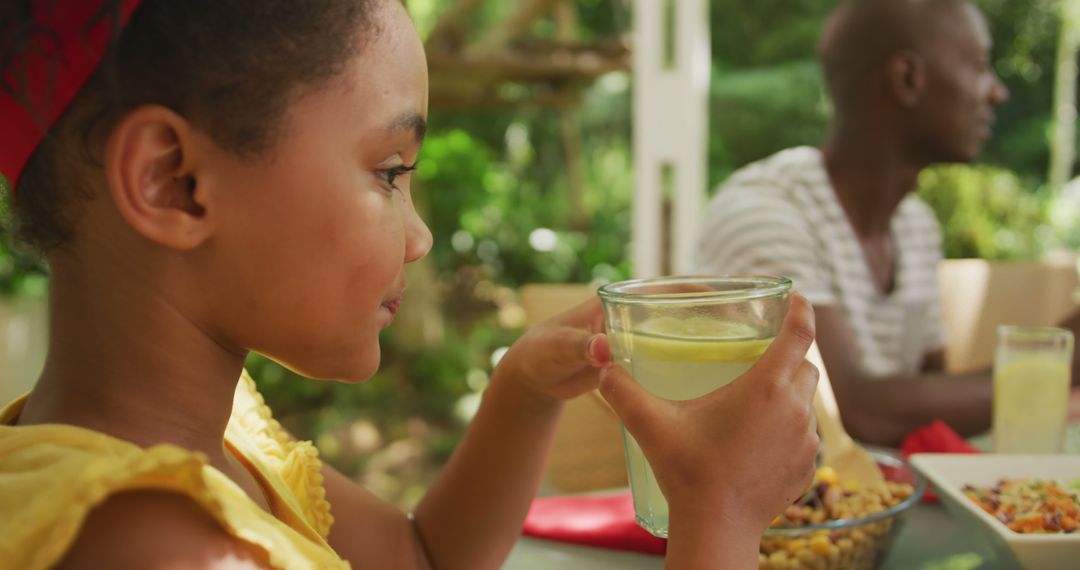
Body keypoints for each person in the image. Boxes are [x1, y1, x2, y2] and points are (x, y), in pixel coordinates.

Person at [0, 1, 821, 568]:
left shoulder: (216, 445)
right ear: (173, 182)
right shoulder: (149, 541)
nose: (421, 236)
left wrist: (523, 387)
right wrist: (719, 515)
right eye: (390, 171)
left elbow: (419, 558)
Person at [696, 0, 1080, 447]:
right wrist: (1060, 361)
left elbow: (930, 412)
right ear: (907, 79)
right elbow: (850, 413)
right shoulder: (761, 213)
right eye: (979, 66)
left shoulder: (916, 225)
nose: (997, 92)